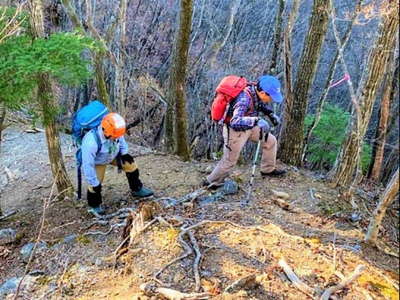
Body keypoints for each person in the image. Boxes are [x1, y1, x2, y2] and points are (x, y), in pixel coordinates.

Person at [204, 75, 286, 186]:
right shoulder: (244, 99)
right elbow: (235, 121)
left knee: (270, 141)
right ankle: (211, 181)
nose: (272, 100)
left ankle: (268, 169)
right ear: (263, 93)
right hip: (235, 131)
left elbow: (259, 104)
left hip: (249, 126)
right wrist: (257, 120)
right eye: (271, 97)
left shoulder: (255, 91)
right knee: (229, 161)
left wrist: (270, 114)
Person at [81, 112, 153, 214]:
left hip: (113, 155)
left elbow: (121, 141)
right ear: (106, 132)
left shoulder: (116, 131)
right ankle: (95, 205)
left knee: (131, 166)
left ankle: (136, 189)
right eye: (114, 137)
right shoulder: (90, 143)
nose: (117, 138)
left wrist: (124, 153)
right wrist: (94, 182)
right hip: (98, 162)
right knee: (94, 184)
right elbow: (87, 165)